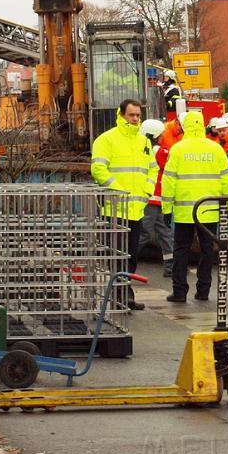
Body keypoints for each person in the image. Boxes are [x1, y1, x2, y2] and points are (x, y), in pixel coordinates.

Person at [91, 99, 158, 309]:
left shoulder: (143, 141)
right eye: (132, 115)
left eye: (138, 115)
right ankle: (119, 297)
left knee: (131, 257)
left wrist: (148, 189)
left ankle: (124, 295)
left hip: (136, 210)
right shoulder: (106, 140)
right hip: (114, 209)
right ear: (121, 115)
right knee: (117, 258)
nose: (136, 119)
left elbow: (153, 169)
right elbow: (98, 170)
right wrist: (120, 190)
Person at [162, 112, 228, 303]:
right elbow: (227, 178)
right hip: (209, 209)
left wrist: (166, 209)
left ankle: (179, 292)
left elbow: (168, 181)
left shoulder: (177, 149)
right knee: (207, 249)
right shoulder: (216, 149)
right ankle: (203, 290)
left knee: (181, 250)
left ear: (185, 126)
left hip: (185, 211)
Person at [138, 119, 175, 278]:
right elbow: (171, 162)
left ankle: (170, 266)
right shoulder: (159, 151)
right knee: (150, 233)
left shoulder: (142, 148)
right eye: (160, 135)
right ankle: (124, 262)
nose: (162, 138)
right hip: (153, 199)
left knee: (164, 233)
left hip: (154, 199)